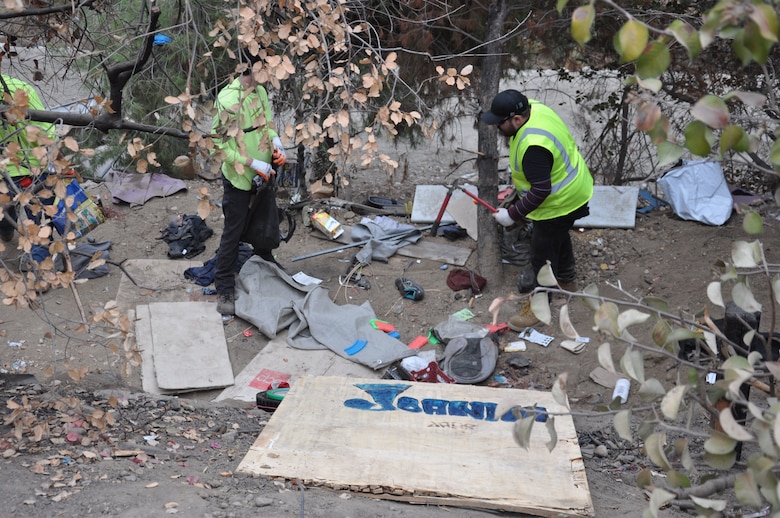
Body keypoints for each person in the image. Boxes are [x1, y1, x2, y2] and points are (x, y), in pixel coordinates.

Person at [481, 89, 594, 330]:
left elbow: (541, 190)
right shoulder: (535, 109)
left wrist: (512, 214)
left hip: (559, 201)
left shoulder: (534, 146)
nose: (498, 128)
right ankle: (567, 279)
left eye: (500, 123)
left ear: (517, 120)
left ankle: (537, 308)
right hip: (576, 187)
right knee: (558, 235)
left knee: (541, 255)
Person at [211, 53, 286, 318]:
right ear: (245, 73)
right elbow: (219, 148)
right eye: (256, 74)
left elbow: (266, 124)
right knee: (234, 230)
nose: (260, 80)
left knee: (265, 217)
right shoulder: (227, 101)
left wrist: (276, 142)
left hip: (264, 173)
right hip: (240, 176)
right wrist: (253, 162)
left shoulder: (261, 91)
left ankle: (265, 259)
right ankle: (224, 286)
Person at [0, 74, 57, 243]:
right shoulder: (20, 87)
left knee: (4, 210)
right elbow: (47, 133)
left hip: (3, 175)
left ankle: (6, 232)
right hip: (33, 169)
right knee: (41, 218)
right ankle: (41, 260)